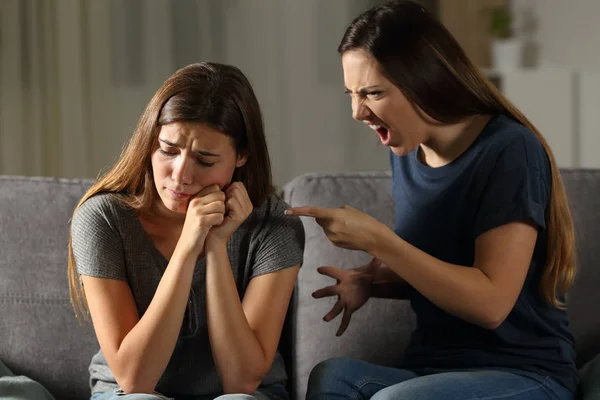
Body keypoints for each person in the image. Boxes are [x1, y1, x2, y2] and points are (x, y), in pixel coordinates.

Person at [285, 1, 578, 399]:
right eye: (352, 94)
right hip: (433, 368)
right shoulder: (408, 154)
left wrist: (378, 240)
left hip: (524, 371)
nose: (357, 112)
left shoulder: (510, 150)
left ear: (424, 79)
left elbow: (491, 304)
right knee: (332, 376)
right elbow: (441, 266)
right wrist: (369, 281)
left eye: (372, 92)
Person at [67, 62, 305, 400]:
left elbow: (241, 381)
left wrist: (217, 245)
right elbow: (135, 379)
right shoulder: (102, 219)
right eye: (168, 150)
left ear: (241, 156)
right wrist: (188, 247)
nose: (180, 176)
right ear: (150, 140)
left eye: (205, 161)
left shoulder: (275, 225)